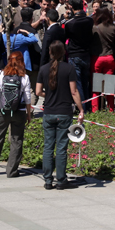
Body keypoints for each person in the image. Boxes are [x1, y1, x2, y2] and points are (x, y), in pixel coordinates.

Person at [35, 41, 85, 190]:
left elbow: (37, 92)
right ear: (63, 52)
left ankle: (48, 180)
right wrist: (81, 109)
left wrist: (48, 94)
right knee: (62, 148)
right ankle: (61, 180)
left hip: (49, 111)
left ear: (50, 53)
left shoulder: (43, 69)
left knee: (48, 147)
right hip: (64, 112)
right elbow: (74, 92)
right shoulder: (69, 69)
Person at [0, 51, 34, 177]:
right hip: (19, 111)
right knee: (17, 140)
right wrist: (28, 114)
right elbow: (27, 98)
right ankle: (12, 171)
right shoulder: (24, 77)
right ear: (22, 62)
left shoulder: (1, 74)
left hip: (2, 110)